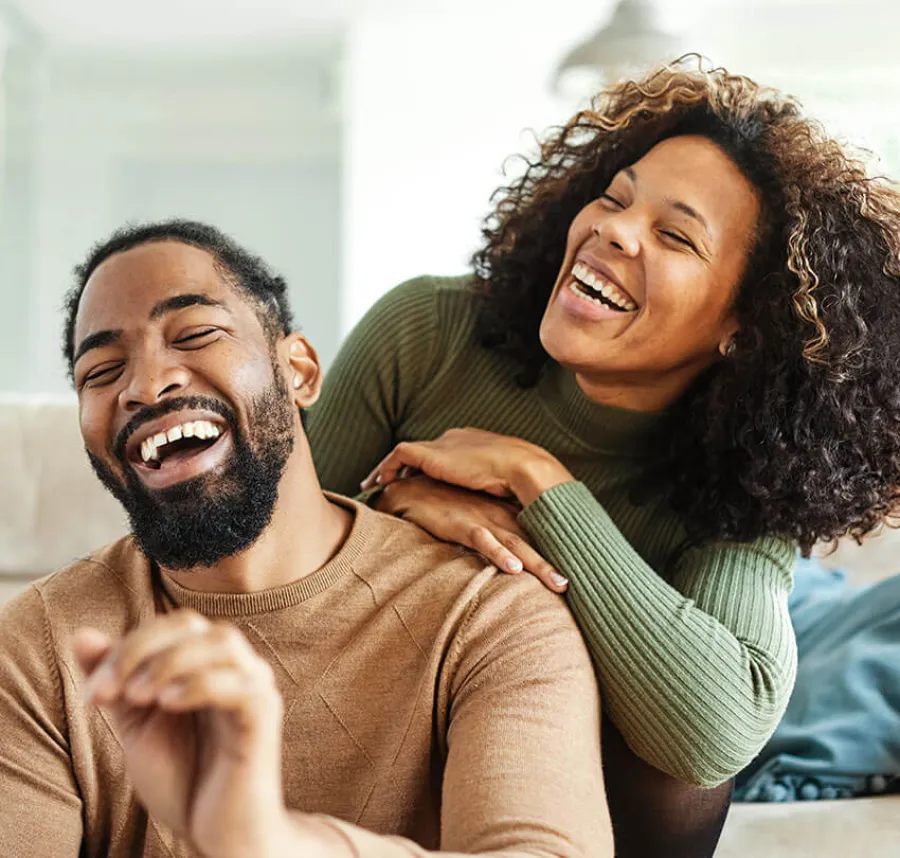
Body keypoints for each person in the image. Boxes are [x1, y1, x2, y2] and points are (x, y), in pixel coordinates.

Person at [307, 61, 900, 857]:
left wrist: (540, 485)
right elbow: (275, 558)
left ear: (745, 326)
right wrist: (393, 509)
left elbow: (712, 739)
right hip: (389, 709)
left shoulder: (745, 474)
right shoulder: (427, 330)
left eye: (676, 235)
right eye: (615, 199)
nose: (614, 231)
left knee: (678, 767)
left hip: (578, 773)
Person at [0, 221, 613, 858]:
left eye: (195, 334)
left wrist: (265, 839)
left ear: (299, 371)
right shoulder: (37, 650)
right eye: (101, 371)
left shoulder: (488, 615)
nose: (146, 387)